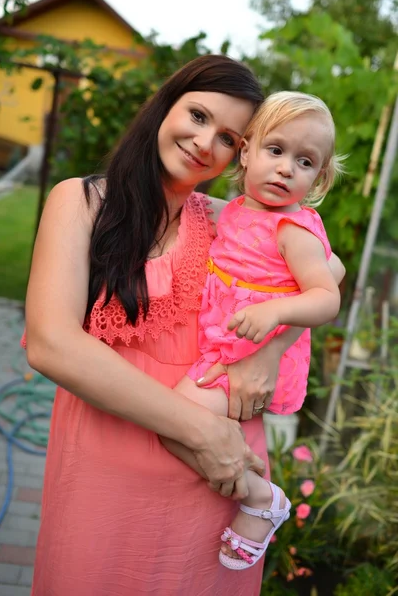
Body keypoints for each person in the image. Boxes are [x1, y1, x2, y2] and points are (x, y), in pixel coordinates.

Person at [22, 54, 344, 596]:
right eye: (197, 115)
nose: (203, 141)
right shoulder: (82, 202)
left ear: (238, 156)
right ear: (165, 105)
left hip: (215, 484)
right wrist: (201, 431)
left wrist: (269, 350)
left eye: (227, 137)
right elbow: (52, 345)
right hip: (121, 467)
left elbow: (328, 271)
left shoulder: (230, 218)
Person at [159, 91, 344, 571]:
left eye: (304, 161)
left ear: (319, 177)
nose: (285, 169)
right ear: (246, 152)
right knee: (179, 427)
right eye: (275, 150)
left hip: (252, 354)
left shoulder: (294, 231)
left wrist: (277, 313)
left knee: (174, 424)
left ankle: (263, 500)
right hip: (225, 348)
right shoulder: (239, 209)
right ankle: (247, 488)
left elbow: (327, 296)